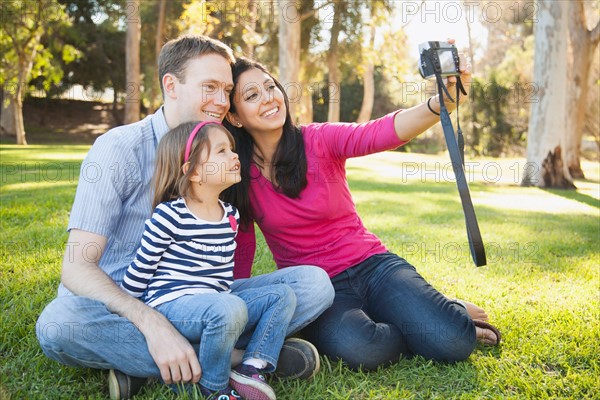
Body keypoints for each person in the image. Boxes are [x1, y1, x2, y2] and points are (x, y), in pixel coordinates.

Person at [35, 35, 334, 399]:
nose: (222, 102)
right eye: (209, 87)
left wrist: (223, 303)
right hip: (117, 305)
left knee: (313, 284)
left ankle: (157, 364)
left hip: (198, 298)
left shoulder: (224, 150)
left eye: (226, 90)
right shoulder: (118, 148)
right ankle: (234, 359)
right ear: (171, 86)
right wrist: (150, 322)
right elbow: (77, 267)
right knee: (58, 325)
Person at [222, 54, 502, 371]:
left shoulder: (318, 139)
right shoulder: (240, 174)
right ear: (234, 117)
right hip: (322, 291)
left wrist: (438, 105)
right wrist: (234, 309)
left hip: (373, 266)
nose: (269, 98)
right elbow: (242, 247)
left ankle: (438, 311)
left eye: (270, 86)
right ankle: (420, 314)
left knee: (453, 340)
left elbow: (378, 132)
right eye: (252, 95)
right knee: (364, 349)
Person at [120, 120, 292, 399]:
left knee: (282, 295)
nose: (234, 156)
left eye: (232, 149)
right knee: (229, 308)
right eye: (222, 151)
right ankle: (214, 387)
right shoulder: (169, 215)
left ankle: (251, 367)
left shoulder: (230, 216)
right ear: (193, 171)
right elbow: (140, 272)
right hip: (173, 306)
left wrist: (227, 303)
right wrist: (135, 316)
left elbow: (223, 279)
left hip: (218, 304)